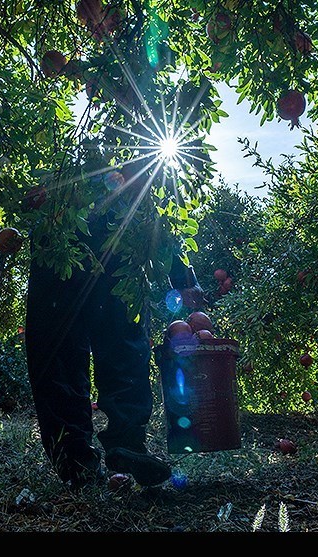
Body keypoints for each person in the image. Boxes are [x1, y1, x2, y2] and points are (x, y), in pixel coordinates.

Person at [25, 158, 204, 491]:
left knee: (61, 353)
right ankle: (117, 443)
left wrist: (182, 274)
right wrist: (182, 276)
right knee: (119, 341)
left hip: (70, 234)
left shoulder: (102, 144)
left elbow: (158, 205)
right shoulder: (135, 141)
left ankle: (77, 457)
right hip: (99, 238)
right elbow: (159, 209)